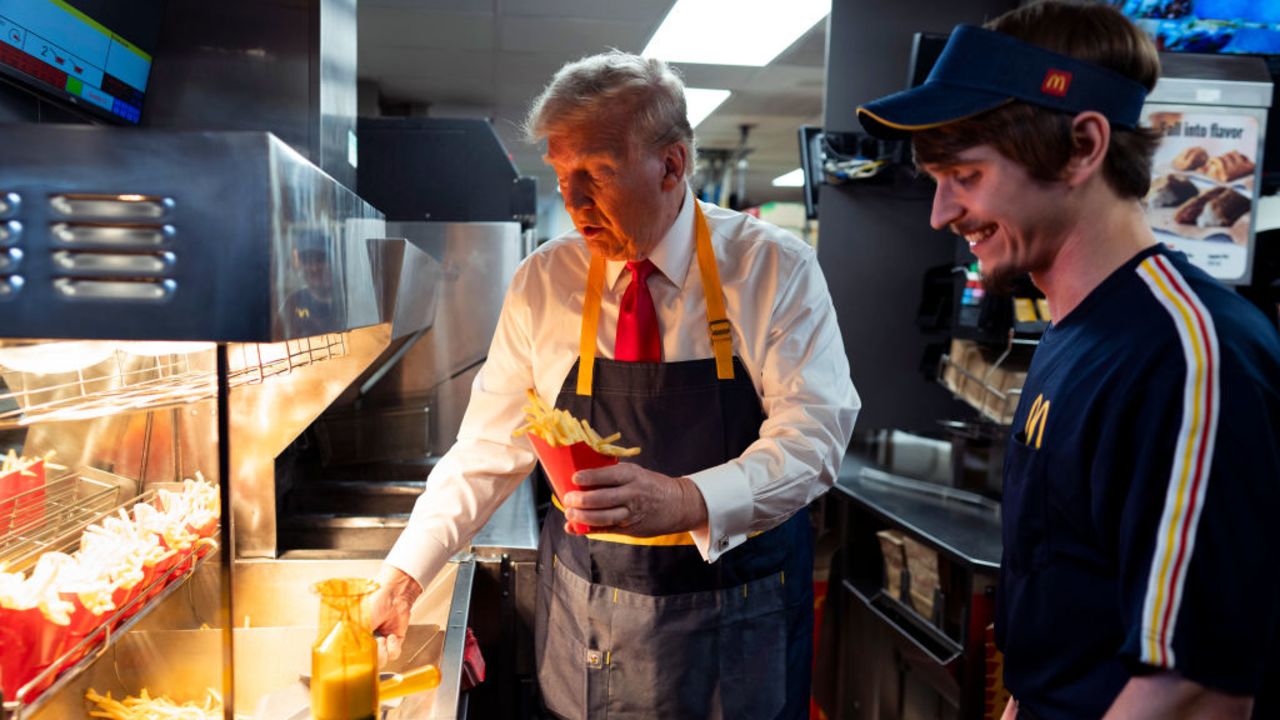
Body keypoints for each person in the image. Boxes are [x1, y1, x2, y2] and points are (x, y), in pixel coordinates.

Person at [371, 50, 860, 719]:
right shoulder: (545, 281)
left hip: (738, 616)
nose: (571, 201)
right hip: (592, 615)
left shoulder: (773, 268)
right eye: (561, 172)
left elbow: (815, 440)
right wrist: (404, 574)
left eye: (596, 172)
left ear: (671, 166)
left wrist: (689, 499)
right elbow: (487, 448)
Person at [858, 3, 1280, 719]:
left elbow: (1196, 688)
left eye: (965, 173)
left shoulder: (1191, 355)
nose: (940, 213)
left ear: (1083, 146)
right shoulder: (1072, 334)